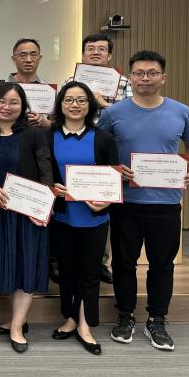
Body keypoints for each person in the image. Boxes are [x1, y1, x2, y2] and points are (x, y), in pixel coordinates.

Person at [99, 50, 189, 352]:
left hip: (166, 203)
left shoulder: (181, 111)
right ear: (130, 78)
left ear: (163, 78)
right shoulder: (113, 113)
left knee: (162, 265)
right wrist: (113, 169)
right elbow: (98, 150)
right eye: (139, 73)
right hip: (126, 202)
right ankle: (125, 315)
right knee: (124, 263)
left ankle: (157, 319)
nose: (145, 78)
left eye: (152, 73)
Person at [0, 82, 53, 353]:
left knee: (25, 266)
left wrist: (44, 208)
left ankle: (17, 327)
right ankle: (15, 319)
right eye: (1, 101)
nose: (6, 107)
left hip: (27, 214)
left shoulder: (34, 135)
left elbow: (46, 172)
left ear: (23, 107)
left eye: (13, 102)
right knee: (8, 266)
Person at [48, 81, 119, 355]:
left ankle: (85, 324)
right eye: (69, 100)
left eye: (81, 100)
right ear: (60, 104)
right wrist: (51, 187)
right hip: (62, 217)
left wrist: (107, 201)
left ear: (90, 105)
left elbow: (114, 178)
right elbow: (42, 173)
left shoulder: (103, 138)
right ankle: (69, 317)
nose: (75, 105)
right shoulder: (48, 136)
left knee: (89, 273)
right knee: (66, 271)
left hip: (94, 218)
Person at [64, 33, 132, 285]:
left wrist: (103, 104)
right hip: (73, 146)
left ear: (109, 55)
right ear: (83, 54)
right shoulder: (71, 81)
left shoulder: (123, 82)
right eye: (90, 48)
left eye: (101, 49)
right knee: (73, 201)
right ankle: (68, 261)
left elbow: (130, 114)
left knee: (102, 204)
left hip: (107, 149)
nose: (95, 52)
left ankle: (101, 263)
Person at [5, 38, 51, 129]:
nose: (28, 60)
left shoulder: (49, 89)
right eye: (23, 55)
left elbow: (56, 122)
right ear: (14, 59)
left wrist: (45, 123)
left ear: (39, 58)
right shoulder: (1, 88)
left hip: (40, 137)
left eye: (33, 54)